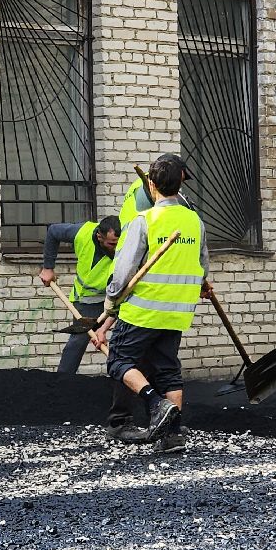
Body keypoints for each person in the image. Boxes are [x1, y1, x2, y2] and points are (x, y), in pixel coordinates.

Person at [92, 153, 210, 451]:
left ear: (151, 184)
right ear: (181, 182)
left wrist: (109, 306)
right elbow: (202, 267)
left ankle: (156, 404)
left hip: (144, 310)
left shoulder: (144, 220)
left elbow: (122, 272)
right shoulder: (195, 221)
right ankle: (173, 436)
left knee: (119, 361)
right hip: (178, 313)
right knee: (168, 370)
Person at [39, 215, 122, 375]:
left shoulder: (126, 242)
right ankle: (62, 382)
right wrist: (48, 267)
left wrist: (104, 329)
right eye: (111, 243)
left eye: (119, 243)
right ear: (99, 235)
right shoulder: (82, 233)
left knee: (127, 339)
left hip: (117, 298)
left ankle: (134, 384)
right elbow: (53, 232)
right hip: (87, 302)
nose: (116, 248)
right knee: (78, 341)